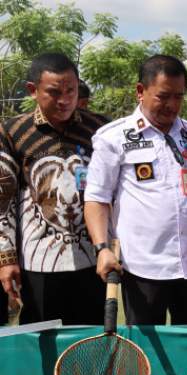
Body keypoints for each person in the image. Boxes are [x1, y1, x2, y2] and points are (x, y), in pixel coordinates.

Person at [85, 54, 187, 325]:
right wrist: (102, 248)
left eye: (179, 97)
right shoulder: (113, 137)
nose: (172, 105)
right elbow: (96, 199)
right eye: (163, 96)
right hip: (143, 269)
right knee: (149, 355)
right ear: (140, 91)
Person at [0, 53, 108, 325]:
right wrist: (6, 258)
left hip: (94, 259)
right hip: (39, 264)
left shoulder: (101, 129)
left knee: (92, 339)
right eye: (53, 92)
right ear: (32, 90)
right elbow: (4, 201)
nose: (64, 100)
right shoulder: (12, 132)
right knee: (42, 340)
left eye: (71, 90)